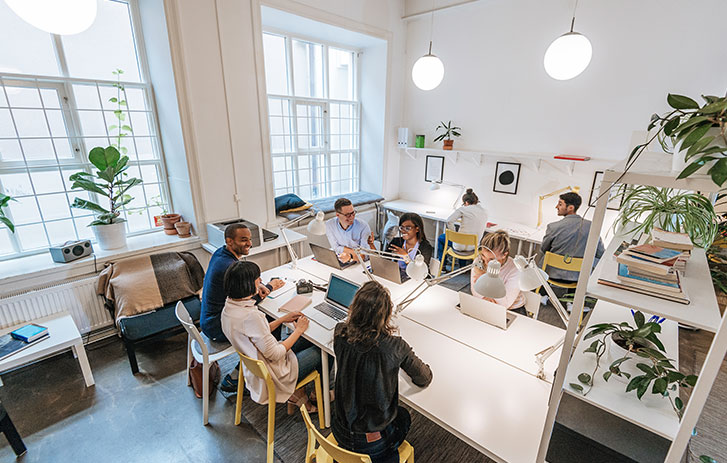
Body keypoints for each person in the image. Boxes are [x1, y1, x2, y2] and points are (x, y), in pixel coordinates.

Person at [332, 281, 432, 462]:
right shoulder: (394, 347)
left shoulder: (340, 333)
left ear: (354, 308)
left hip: (340, 430)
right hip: (371, 443)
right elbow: (423, 378)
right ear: (385, 314)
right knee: (404, 417)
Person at [221, 261, 321, 412]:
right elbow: (275, 354)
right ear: (248, 284)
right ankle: (317, 396)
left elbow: (256, 334)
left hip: (257, 368)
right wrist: (298, 330)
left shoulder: (229, 308)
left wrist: (282, 319)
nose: (260, 281)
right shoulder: (250, 316)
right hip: (275, 375)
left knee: (306, 340)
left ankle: (301, 393)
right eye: (257, 279)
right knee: (322, 350)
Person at [200, 223, 284, 391]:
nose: (249, 244)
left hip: (208, 319)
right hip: (218, 326)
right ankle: (245, 375)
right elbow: (246, 302)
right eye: (243, 240)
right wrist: (269, 286)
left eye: (250, 239)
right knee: (268, 321)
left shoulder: (220, 254)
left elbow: (237, 295)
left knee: (263, 321)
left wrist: (253, 285)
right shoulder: (227, 266)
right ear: (229, 241)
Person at [539, 191, 605, 283]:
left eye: (560, 204)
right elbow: (600, 253)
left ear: (570, 208)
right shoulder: (592, 227)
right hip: (578, 278)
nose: (556, 207)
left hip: (552, 275)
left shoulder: (553, 227)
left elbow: (544, 249)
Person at [470, 230, 526, 314]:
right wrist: (486, 299)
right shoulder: (479, 261)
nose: (486, 262)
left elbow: (505, 303)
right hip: (484, 304)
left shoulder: (515, 269)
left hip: (512, 309)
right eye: (483, 255)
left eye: (492, 259)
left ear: (504, 255)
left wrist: (483, 278)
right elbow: (475, 291)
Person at [437, 188, 488, 270]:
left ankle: (442, 265)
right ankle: (462, 267)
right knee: (465, 238)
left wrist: (454, 235)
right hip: (474, 247)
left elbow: (449, 221)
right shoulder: (485, 212)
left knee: (441, 238)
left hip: (459, 246)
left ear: (466, 202)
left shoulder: (463, 209)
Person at [325, 197, 375, 262]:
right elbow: (335, 248)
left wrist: (350, 257)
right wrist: (353, 252)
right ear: (338, 215)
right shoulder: (330, 225)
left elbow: (364, 255)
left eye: (353, 213)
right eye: (348, 215)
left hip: (361, 263)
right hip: (343, 259)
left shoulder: (363, 226)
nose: (352, 217)